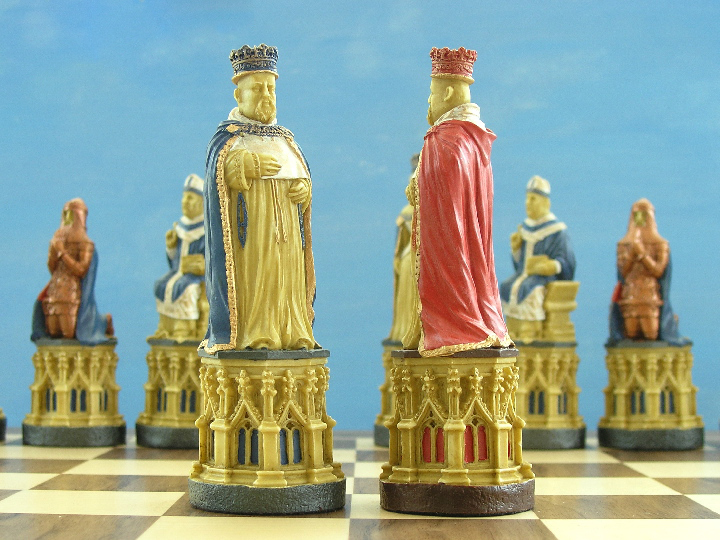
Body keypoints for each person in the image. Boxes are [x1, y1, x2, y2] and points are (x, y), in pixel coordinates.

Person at [201, 44, 316, 353]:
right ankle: (257, 332)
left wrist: (304, 190)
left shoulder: (286, 139)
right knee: (259, 277)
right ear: (239, 95)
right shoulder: (229, 138)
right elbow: (218, 175)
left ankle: (293, 330)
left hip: (288, 235)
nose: (266, 95)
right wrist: (245, 166)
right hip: (253, 233)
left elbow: (303, 178)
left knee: (287, 279)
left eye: (271, 88)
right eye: (257, 89)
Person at [402, 47, 512, 356]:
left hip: (448, 260)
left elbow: (439, 206)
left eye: (431, 94)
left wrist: (416, 187)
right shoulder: (476, 139)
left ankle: (453, 324)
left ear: (448, 92)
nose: (428, 102)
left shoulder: (442, 139)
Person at [31, 198, 113, 344]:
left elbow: (81, 270)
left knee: (68, 334)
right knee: (52, 331)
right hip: (56, 290)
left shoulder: (86, 243)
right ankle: (38, 329)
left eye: (71, 215)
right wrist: (54, 250)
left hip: (72, 291)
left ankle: (105, 321)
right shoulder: (59, 237)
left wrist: (62, 252)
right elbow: (52, 268)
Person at [500, 176, 576, 330]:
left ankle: (531, 329)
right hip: (525, 275)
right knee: (506, 286)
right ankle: (513, 329)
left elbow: (568, 262)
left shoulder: (557, 231)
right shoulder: (525, 228)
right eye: (527, 198)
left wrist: (552, 266)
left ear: (545, 203)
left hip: (544, 278)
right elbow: (519, 267)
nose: (528, 203)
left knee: (530, 289)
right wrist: (516, 249)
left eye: (533, 199)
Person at [608, 198, 685, 344]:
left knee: (650, 335)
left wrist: (642, 254)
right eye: (637, 215)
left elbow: (658, 271)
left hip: (649, 295)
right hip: (630, 295)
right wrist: (632, 254)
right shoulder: (624, 244)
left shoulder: (660, 244)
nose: (640, 220)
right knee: (631, 336)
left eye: (644, 215)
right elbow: (623, 272)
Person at [153, 174, 207, 341]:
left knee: (187, 289)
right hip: (179, 273)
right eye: (184, 198)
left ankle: (185, 328)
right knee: (161, 285)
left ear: (201, 202)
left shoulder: (206, 230)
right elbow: (173, 262)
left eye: (190, 198)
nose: (185, 202)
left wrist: (201, 265)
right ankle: (167, 326)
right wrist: (171, 247)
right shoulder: (181, 227)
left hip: (197, 277)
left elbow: (214, 262)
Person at [386, 154, 418, 342]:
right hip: (412, 261)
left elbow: (399, 248)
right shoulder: (407, 213)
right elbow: (400, 244)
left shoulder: (408, 212)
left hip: (410, 261)